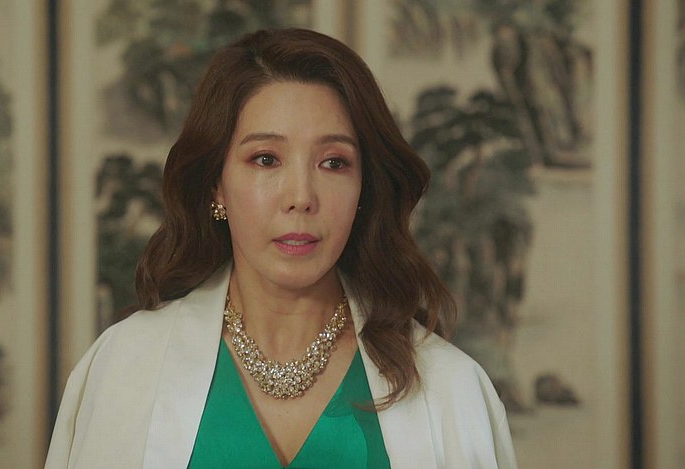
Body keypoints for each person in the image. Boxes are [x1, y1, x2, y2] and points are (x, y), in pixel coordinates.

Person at [45, 28, 517, 469]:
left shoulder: (449, 387)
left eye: (333, 163)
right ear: (215, 184)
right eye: (266, 159)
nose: (301, 197)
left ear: (364, 189)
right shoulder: (125, 366)